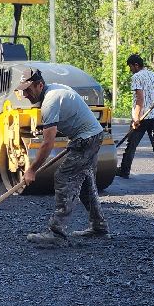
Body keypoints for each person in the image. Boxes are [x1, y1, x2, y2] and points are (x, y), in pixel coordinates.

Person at [16, 67, 108, 246]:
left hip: (87, 139)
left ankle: (57, 233)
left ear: (39, 85)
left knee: (64, 177)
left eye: (28, 89)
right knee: (84, 183)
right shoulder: (56, 89)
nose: (25, 94)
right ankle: (99, 227)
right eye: (23, 90)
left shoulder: (50, 101)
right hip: (91, 136)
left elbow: (47, 143)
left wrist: (31, 170)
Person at [116, 53, 154, 183]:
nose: (130, 70)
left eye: (130, 67)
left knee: (131, 145)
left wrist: (136, 118)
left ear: (136, 65)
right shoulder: (152, 74)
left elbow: (140, 98)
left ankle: (124, 171)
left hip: (142, 118)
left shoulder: (137, 77)